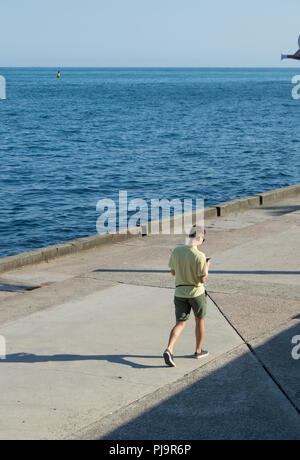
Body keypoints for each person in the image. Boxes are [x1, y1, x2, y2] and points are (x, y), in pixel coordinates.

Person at [163, 225, 211, 367]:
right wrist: (207, 267)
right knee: (199, 320)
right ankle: (198, 350)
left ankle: (169, 349)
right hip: (196, 292)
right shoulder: (200, 256)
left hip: (179, 292)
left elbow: (173, 273)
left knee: (180, 322)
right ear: (200, 237)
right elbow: (201, 279)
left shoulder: (177, 251)